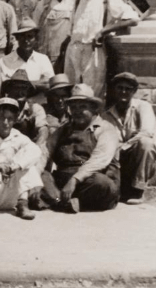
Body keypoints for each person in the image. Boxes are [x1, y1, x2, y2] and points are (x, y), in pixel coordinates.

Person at [36, 84, 121, 213]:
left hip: (90, 181)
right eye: (73, 107)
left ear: (93, 108)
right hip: (64, 181)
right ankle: (64, 202)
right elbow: (45, 152)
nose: (77, 111)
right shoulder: (63, 130)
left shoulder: (106, 129)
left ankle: (56, 201)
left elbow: (99, 160)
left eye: (82, 107)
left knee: (102, 184)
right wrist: (35, 176)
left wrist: (74, 180)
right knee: (41, 176)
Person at [63, 0, 141, 96]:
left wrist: (104, 30)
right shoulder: (76, 0)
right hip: (74, 50)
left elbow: (133, 19)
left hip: (94, 51)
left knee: (92, 92)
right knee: (72, 90)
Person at [102, 72, 156, 204]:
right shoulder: (107, 114)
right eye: (120, 88)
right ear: (114, 90)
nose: (123, 92)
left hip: (138, 158)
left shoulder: (143, 107)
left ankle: (138, 191)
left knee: (146, 143)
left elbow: (147, 132)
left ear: (134, 91)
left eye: (128, 89)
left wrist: (124, 145)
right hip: (117, 161)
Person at [33, 0, 79, 71]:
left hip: (70, 61)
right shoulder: (42, 4)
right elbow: (33, 33)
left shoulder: (78, 2)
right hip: (45, 61)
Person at [3, 70, 52, 162]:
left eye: (23, 88)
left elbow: (43, 130)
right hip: (6, 149)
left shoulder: (35, 108)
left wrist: (35, 148)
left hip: (28, 149)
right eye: (16, 88)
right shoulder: (1, 108)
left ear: (28, 91)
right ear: (9, 91)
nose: (20, 92)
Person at [1, 18, 56, 84]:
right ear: (17, 38)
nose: (26, 41)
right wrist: (38, 83)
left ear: (36, 39)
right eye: (22, 36)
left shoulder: (43, 59)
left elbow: (49, 83)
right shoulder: (4, 62)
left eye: (30, 36)